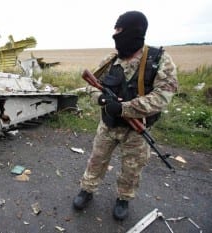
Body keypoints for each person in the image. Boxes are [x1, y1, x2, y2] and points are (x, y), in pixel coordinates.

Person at [73, 11, 178, 220]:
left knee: (131, 169)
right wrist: (101, 100)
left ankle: (123, 198)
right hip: (108, 125)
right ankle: (87, 190)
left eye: (120, 30)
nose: (115, 35)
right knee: (96, 160)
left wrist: (124, 108)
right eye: (115, 29)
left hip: (136, 130)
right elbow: (92, 85)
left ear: (135, 31)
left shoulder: (159, 60)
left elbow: (162, 97)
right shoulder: (111, 59)